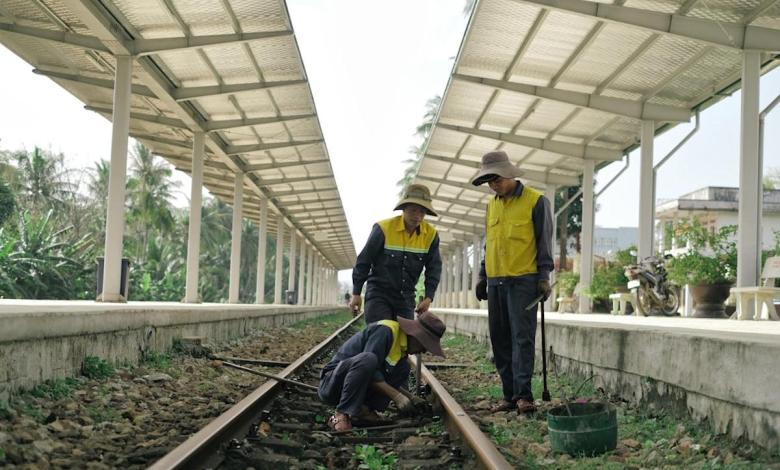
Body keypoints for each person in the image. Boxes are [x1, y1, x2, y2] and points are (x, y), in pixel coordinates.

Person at [471, 150, 553, 414]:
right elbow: (489, 244)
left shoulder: (536, 201)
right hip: (496, 282)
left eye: (497, 178)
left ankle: (524, 396)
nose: (493, 184)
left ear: (509, 173)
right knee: (500, 339)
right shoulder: (491, 205)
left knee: (522, 339)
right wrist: (483, 275)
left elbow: (544, 241)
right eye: (489, 180)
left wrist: (543, 276)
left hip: (523, 281)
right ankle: (508, 395)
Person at [318, 311, 446, 431]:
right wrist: (397, 396)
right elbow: (368, 367)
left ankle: (364, 411)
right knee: (368, 359)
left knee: (403, 368)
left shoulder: (401, 349)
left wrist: (410, 397)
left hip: (354, 388)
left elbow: (382, 378)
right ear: (416, 336)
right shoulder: (385, 331)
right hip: (332, 384)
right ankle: (340, 414)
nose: (423, 351)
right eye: (425, 345)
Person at [350, 184, 442, 323]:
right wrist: (356, 293)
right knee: (380, 334)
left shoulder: (431, 235)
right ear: (403, 209)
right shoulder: (383, 229)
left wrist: (428, 297)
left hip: (406, 299)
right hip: (379, 295)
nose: (417, 216)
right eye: (413, 210)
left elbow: (434, 268)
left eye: (422, 212)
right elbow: (364, 261)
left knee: (403, 339)